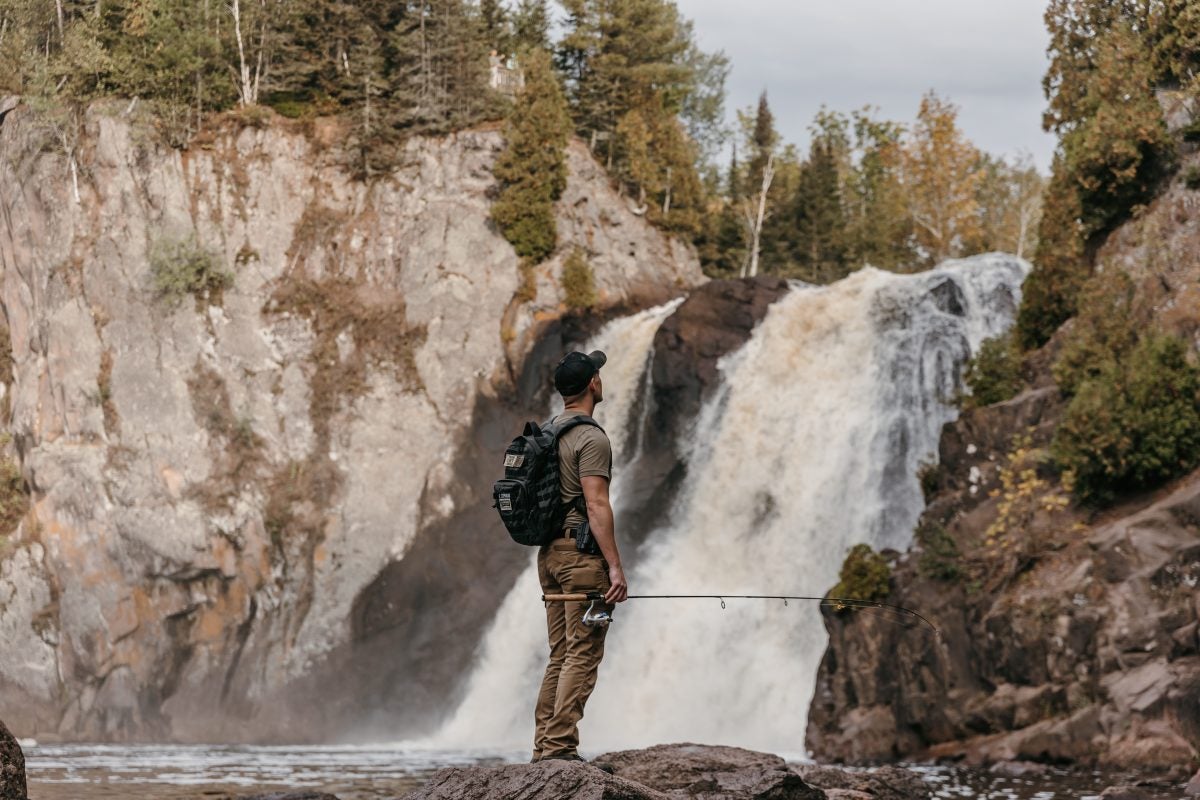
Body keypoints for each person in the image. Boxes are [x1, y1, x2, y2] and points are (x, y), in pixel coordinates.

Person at [532, 350, 629, 765]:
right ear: (593, 383)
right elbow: (596, 505)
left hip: (550, 556)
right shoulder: (590, 437)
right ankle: (559, 749)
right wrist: (614, 566)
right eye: (599, 373)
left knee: (561, 653)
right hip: (581, 557)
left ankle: (544, 746)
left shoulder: (549, 432)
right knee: (583, 651)